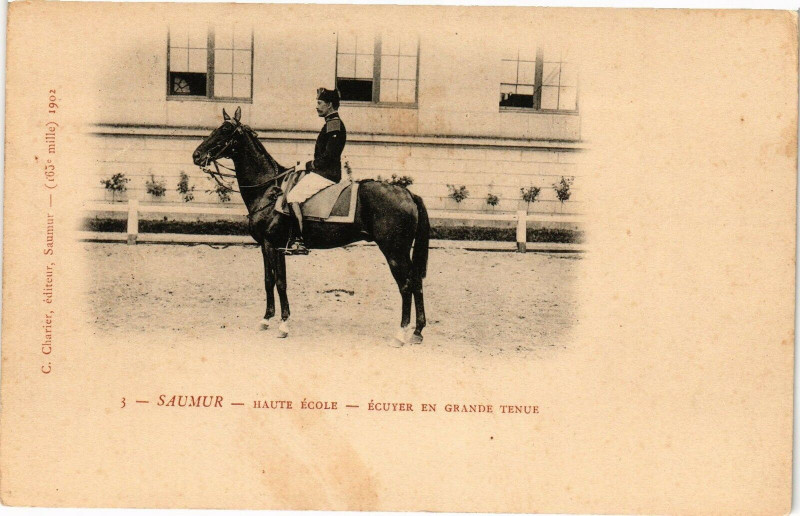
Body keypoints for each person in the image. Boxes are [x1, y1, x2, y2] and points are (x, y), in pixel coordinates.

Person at [284, 87, 347, 255]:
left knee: (293, 197)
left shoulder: (334, 124)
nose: (316, 106)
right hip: (323, 172)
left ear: (330, 105)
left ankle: (299, 241)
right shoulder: (330, 123)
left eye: (319, 103)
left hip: (327, 174)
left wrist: (307, 165)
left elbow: (329, 157)